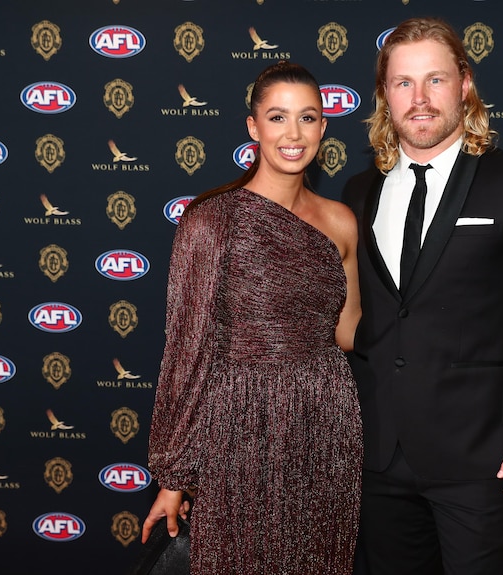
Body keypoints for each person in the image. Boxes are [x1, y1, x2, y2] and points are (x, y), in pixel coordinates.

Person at [342, 17, 503, 575]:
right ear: (384, 95)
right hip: (377, 456)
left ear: (464, 84)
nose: (419, 99)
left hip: (484, 460)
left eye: (435, 80)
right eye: (403, 83)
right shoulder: (358, 191)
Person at [142, 61, 363, 575]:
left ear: (324, 127)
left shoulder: (341, 219)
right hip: (241, 423)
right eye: (278, 117)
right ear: (253, 126)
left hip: (325, 421)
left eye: (307, 118)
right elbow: (187, 350)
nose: (293, 134)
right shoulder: (210, 221)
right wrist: (174, 478)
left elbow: (349, 331)